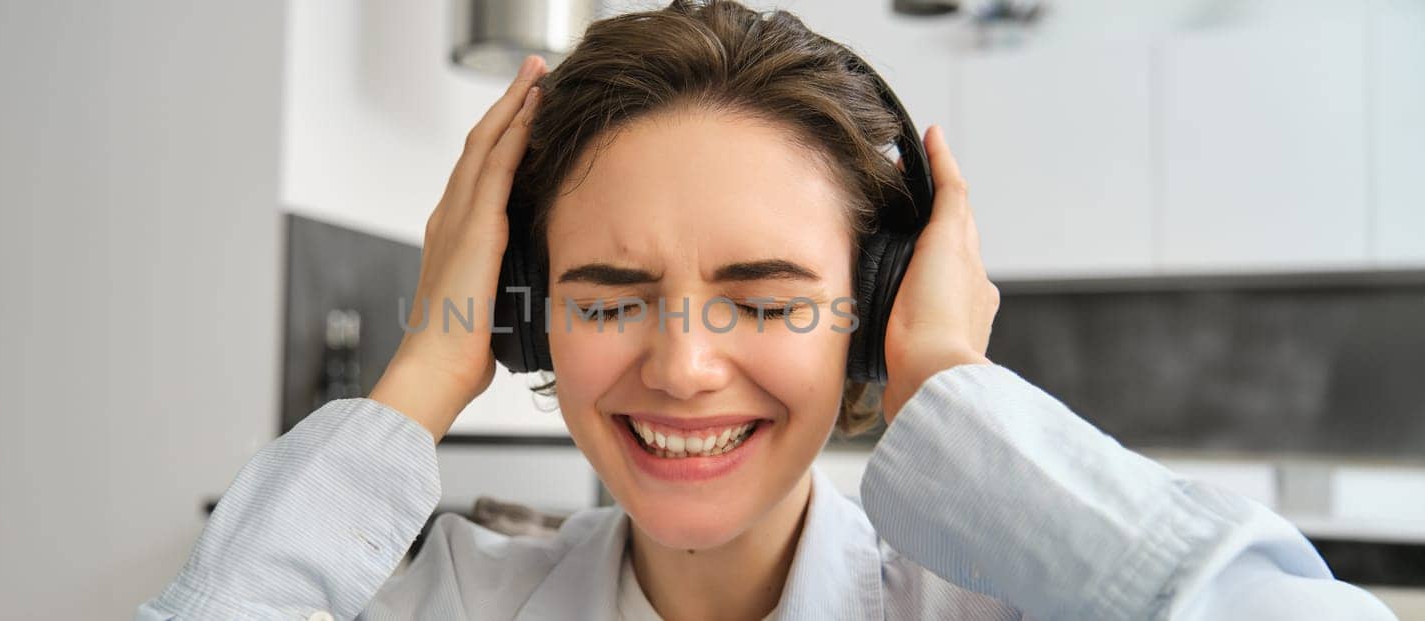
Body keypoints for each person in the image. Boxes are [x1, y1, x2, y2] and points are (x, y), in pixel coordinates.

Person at [135, 1, 1398, 619]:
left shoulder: (985, 611)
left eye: (768, 301)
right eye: (611, 295)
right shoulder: (462, 601)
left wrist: (951, 382)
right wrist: (421, 372)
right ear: (522, 314)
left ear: (874, 310)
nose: (683, 367)